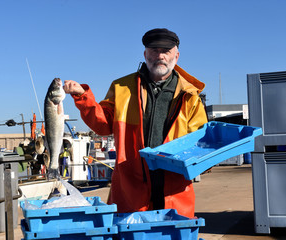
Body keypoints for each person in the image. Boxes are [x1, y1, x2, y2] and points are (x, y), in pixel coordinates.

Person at [63, 28, 208, 218]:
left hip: (174, 189)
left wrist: (205, 160)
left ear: (176, 55)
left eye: (166, 51)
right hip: (130, 189)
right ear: (145, 54)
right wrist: (83, 97)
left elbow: (201, 142)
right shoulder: (122, 87)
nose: (160, 56)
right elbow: (103, 125)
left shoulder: (190, 97)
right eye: (154, 50)